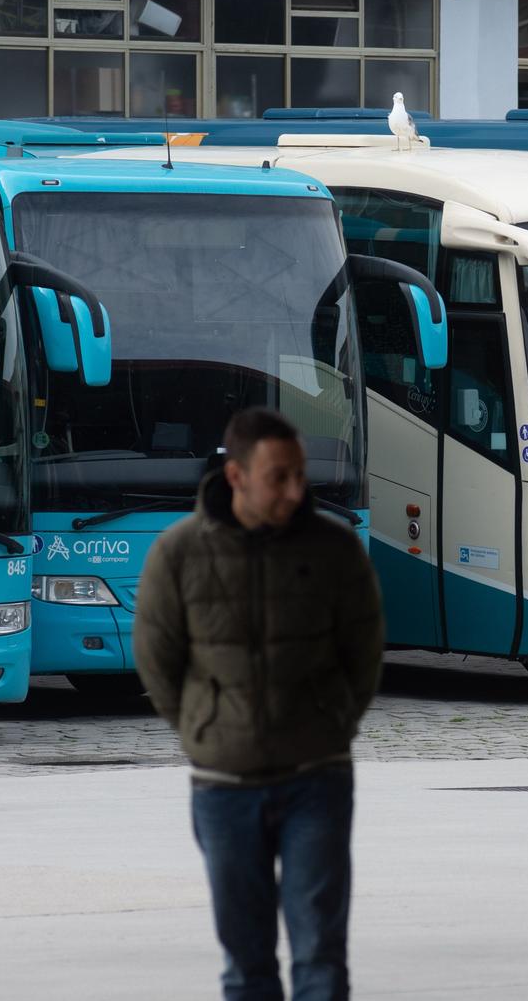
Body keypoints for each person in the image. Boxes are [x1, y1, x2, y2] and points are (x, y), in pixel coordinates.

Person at [135, 407, 384, 1001]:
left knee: (320, 954)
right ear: (239, 477)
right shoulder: (179, 553)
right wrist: (205, 726)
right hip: (224, 785)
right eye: (280, 477)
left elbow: (364, 650)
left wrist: (333, 723)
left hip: (316, 779)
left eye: (301, 475)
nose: (297, 491)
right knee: (246, 964)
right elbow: (158, 659)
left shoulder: (334, 547)